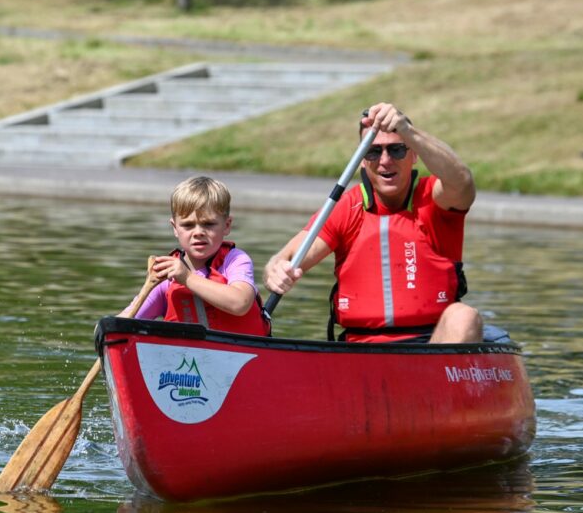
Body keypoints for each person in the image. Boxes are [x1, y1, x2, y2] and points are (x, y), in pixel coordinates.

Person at [263, 102, 483, 343]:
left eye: (397, 149)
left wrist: (407, 130)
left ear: (414, 153)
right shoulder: (347, 207)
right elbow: (286, 259)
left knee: (463, 316)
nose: (385, 161)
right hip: (361, 350)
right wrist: (275, 270)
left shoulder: (435, 198)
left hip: (430, 344)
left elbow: (462, 181)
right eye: (374, 151)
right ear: (361, 160)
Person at [119, 176, 270, 336]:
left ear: (226, 226)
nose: (198, 232)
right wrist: (104, 330)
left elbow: (240, 303)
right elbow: (123, 322)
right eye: (188, 225)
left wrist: (187, 278)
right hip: (187, 360)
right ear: (175, 228)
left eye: (208, 224)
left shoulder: (236, 260)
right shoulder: (165, 278)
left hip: (244, 355)